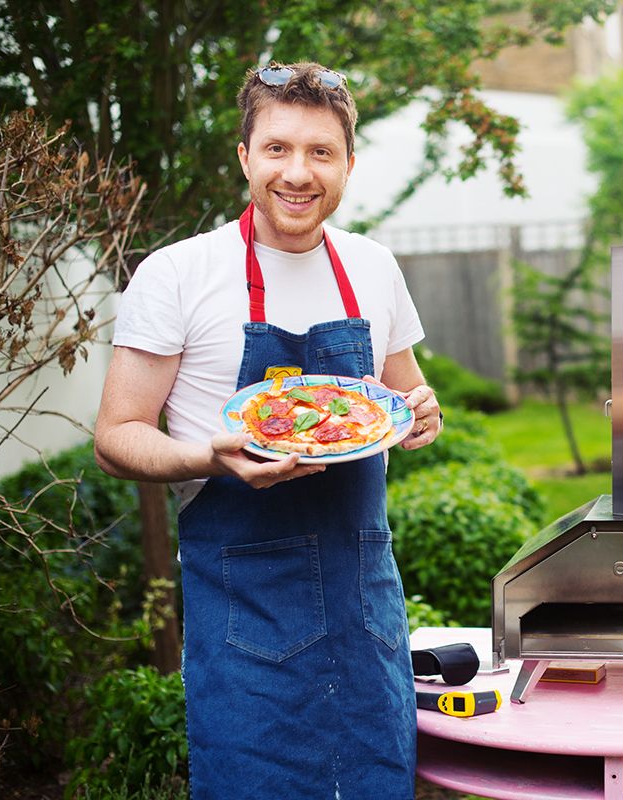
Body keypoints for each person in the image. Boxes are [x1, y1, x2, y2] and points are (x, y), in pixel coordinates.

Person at [94, 61, 440, 799]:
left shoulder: (372, 267)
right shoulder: (178, 274)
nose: (298, 172)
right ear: (245, 156)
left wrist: (421, 410)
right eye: (278, 148)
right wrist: (208, 458)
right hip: (245, 627)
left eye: (322, 152)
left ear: (349, 163)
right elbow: (117, 435)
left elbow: (402, 389)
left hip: (366, 612)